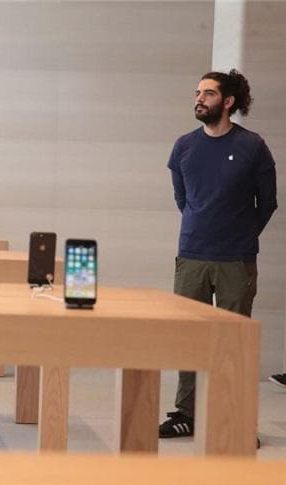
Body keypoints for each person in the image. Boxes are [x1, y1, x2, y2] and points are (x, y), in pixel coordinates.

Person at [160, 69, 278, 439]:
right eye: (198, 92)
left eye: (208, 93)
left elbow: (268, 203)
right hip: (191, 255)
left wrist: (240, 235)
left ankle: (236, 419)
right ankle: (187, 414)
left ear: (228, 102)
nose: (199, 99)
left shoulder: (252, 147)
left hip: (236, 259)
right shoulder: (184, 146)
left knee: (234, 342)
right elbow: (183, 198)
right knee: (189, 337)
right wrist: (202, 226)